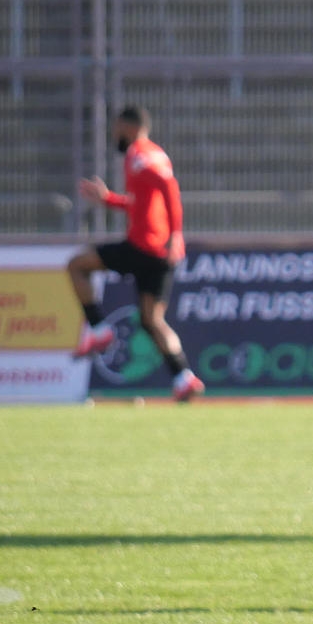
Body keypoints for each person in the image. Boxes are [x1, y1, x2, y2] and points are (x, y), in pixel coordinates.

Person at [67, 105, 203, 403]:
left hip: (145, 247)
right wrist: (109, 200)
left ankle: (100, 330)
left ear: (127, 127)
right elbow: (140, 203)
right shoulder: (155, 153)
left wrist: (176, 234)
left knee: (77, 265)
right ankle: (184, 378)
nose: (114, 134)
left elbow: (169, 187)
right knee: (152, 319)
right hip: (159, 252)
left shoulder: (139, 156)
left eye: (116, 128)